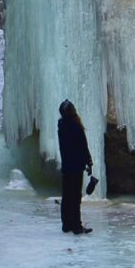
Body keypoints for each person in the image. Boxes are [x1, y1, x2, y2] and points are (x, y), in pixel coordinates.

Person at [57, 99, 93, 234]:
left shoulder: (61, 126)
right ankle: (76, 226)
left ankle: (66, 224)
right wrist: (89, 162)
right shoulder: (76, 126)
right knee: (75, 196)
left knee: (67, 196)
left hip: (66, 166)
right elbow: (83, 146)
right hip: (76, 166)